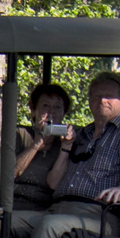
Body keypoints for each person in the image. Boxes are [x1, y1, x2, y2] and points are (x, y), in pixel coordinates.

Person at [27, 71, 120, 238]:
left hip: (97, 215)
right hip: (57, 209)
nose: (102, 100)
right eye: (97, 96)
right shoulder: (82, 134)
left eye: (109, 96)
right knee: (6, 221)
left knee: (48, 225)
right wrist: (66, 148)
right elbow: (53, 183)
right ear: (89, 102)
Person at [13, 82, 73, 215]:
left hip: (41, 210)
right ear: (34, 110)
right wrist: (37, 142)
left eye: (57, 107)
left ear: (63, 113)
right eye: (45, 106)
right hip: (12, 204)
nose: (51, 112)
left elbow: (54, 184)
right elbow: (11, 173)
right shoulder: (20, 134)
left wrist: (65, 148)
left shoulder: (65, 142)